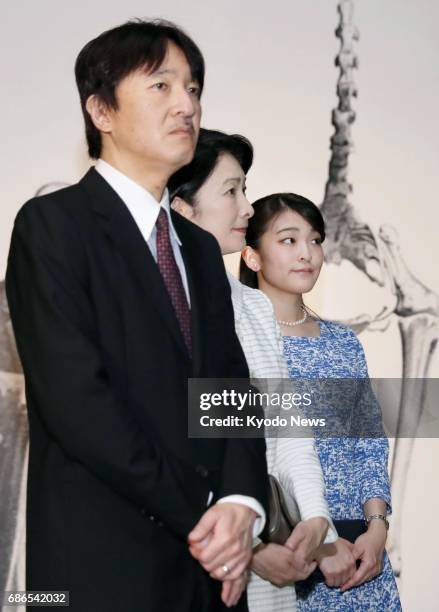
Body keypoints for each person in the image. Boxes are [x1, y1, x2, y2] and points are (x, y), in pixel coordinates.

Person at [5, 21, 269, 612]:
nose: (187, 104)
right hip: (102, 567)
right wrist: (205, 511)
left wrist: (242, 505)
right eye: (161, 85)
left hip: (212, 575)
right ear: (101, 110)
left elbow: (230, 392)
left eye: (194, 89)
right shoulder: (52, 226)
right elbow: (78, 404)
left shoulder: (198, 249)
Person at [169, 129, 338, 612]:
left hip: (276, 574)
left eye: (246, 189)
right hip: (201, 556)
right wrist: (252, 545)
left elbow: (289, 432)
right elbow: (174, 448)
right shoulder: (161, 309)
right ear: (182, 210)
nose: (247, 207)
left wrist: (315, 519)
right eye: (231, 191)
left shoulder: (255, 307)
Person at [240, 192, 402, 611]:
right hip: (284, 552)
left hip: (360, 559)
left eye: (315, 240)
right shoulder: (235, 345)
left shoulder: (343, 342)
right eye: (289, 240)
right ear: (252, 256)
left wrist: (377, 528)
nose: (307, 254)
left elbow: (368, 442)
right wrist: (309, 547)